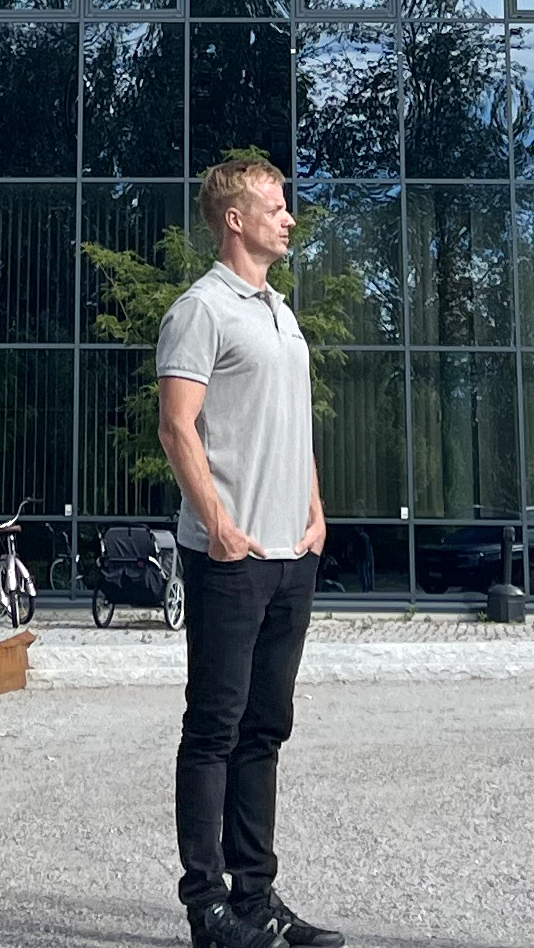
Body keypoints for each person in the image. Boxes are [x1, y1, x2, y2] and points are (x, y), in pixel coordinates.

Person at [156, 154, 343, 948]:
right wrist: (220, 527)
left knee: (266, 727)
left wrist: (314, 509)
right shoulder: (202, 309)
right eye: (276, 204)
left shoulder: (281, 313)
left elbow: (290, 423)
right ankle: (207, 908)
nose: (290, 216)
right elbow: (176, 427)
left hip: (289, 554)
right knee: (215, 729)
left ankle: (257, 896)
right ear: (235, 219)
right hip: (230, 558)